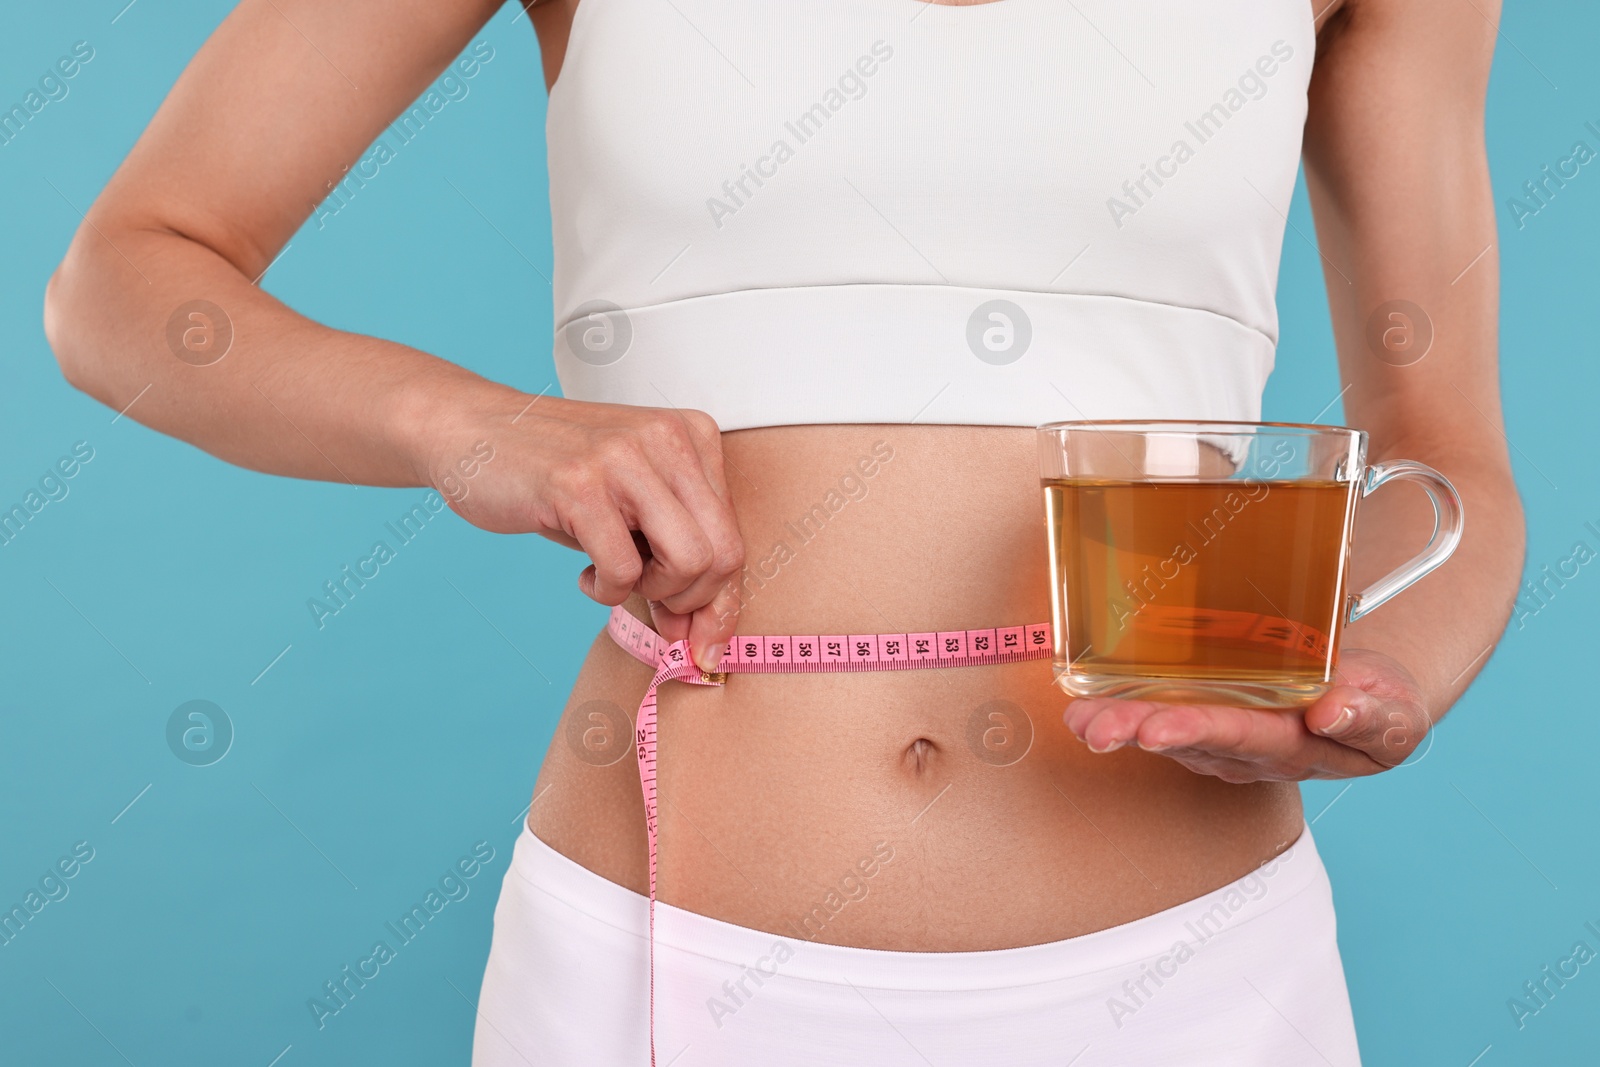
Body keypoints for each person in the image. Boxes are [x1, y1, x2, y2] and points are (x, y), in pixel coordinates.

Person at [43, 0, 1523, 1063]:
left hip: (1194, 978)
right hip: (660, 961)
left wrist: (1385, 678)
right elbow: (125, 283)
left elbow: (1446, 451)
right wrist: (469, 426)